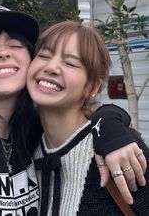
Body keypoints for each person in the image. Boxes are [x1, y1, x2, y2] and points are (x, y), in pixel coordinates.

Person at [0, 5, 146, 216]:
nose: (52, 67)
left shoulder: (28, 136)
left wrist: (110, 123)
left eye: (15, 45)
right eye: (44, 55)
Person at [27, 20, 149, 215]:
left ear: (92, 87)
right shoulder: (25, 145)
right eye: (44, 55)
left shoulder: (118, 148)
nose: (51, 67)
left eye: (70, 63)